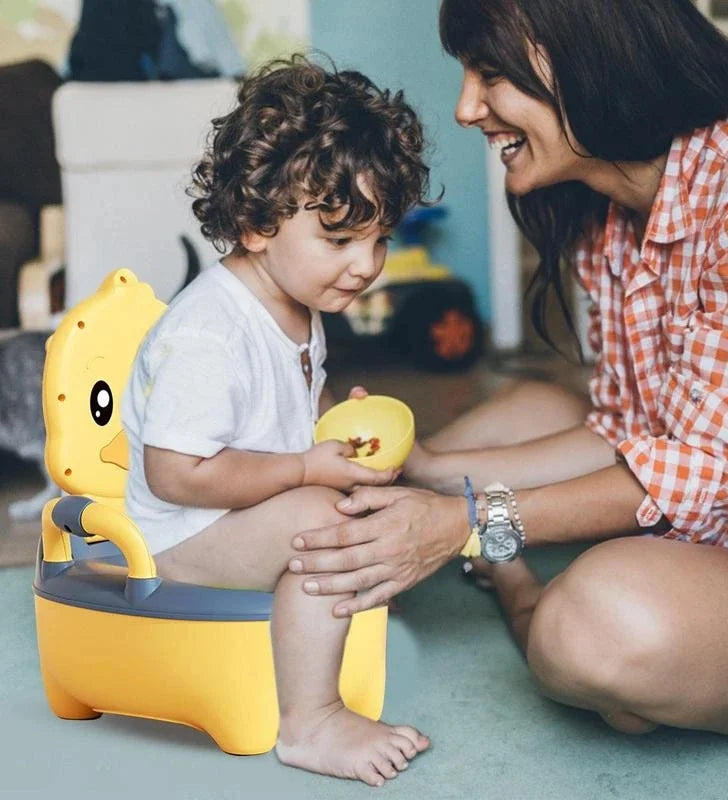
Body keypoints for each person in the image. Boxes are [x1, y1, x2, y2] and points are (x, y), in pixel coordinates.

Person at [286, 0, 728, 740]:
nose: (466, 109)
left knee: (592, 631)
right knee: (538, 406)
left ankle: (522, 597)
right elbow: (632, 432)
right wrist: (431, 469)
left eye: (489, 74)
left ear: (589, 57)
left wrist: (466, 526)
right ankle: (518, 572)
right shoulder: (612, 211)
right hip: (727, 511)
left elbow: (697, 469)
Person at [121, 56, 431, 786]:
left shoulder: (296, 302)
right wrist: (304, 471)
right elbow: (176, 473)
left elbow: (291, 407)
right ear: (257, 223)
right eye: (340, 238)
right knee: (329, 519)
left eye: (380, 237)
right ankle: (310, 721)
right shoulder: (210, 333)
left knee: (364, 503)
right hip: (179, 537)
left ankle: (320, 614)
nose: (366, 265)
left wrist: (331, 435)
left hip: (242, 510)